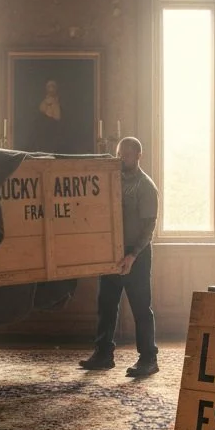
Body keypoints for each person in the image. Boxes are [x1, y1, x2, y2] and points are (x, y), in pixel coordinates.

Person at [80, 137, 160, 377]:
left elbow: (149, 227)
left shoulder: (146, 186)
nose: (121, 158)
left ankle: (148, 359)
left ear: (138, 155)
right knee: (106, 304)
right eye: (118, 153)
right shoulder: (112, 181)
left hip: (136, 254)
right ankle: (103, 355)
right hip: (111, 253)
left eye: (126, 154)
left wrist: (132, 255)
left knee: (140, 307)